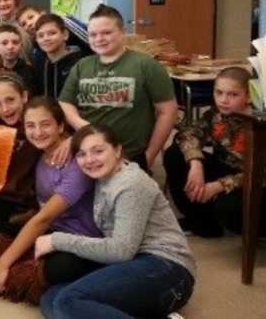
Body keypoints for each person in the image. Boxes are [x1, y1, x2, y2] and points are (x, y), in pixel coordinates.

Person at [36, 124, 195, 319]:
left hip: (167, 268)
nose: (90, 160)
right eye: (81, 154)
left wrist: (57, 240)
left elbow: (121, 250)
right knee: (52, 297)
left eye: (98, 151)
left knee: (68, 302)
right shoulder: (103, 178)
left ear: (118, 150)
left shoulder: (132, 183)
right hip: (134, 262)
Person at [0, 97, 101, 304]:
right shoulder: (40, 155)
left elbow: (43, 218)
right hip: (48, 233)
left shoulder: (78, 161)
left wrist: (2, 264)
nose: (37, 132)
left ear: (60, 126)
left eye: (46, 124)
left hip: (77, 241)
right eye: (31, 125)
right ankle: (26, 272)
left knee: (65, 267)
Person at [164, 66, 266, 238]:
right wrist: (195, 163)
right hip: (230, 167)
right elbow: (188, 134)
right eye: (219, 92)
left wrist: (219, 186)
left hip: (264, 184)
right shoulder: (215, 114)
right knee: (175, 154)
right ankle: (203, 223)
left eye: (233, 95)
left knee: (228, 208)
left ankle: (260, 225)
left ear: (248, 96)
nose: (223, 100)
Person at [58, 4, 178, 171]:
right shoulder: (81, 66)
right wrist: (84, 127)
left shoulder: (146, 65)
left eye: (106, 33)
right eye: (93, 34)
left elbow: (168, 111)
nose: (99, 39)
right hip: (88, 153)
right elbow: (65, 103)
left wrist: (150, 155)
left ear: (122, 32)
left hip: (129, 155)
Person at [33, 13, 83, 99]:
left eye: (52, 33)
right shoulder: (39, 63)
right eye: (40, 35)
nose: (46, 38)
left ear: (65, 35)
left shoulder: (80, 64)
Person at [0, 24, 36, 92]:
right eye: (4, 43)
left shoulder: (31, 72)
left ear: (21, 46)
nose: (10, 47)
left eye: (15, 42)